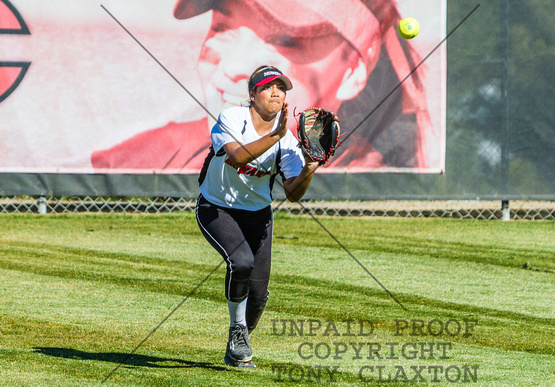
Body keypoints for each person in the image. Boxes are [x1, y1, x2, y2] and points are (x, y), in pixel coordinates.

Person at [91, 0, 434, 172]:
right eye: (224, 29)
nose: (236, 65)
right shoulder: (131, 161)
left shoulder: (374, 183)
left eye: (287, 42)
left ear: (354, 71)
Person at [195, 65, 319, 368]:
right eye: (267, 87)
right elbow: (237, 156)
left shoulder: (288, 141)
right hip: (217, 207)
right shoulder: (232, 118)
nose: (275, 92)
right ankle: (237, 330)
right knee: (241, 263)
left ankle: (237, 344)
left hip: (257, 215)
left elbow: (293, 192)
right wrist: (276, 135)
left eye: (281, 87)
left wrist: (310, 168)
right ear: (252, 94)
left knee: (259, 295)